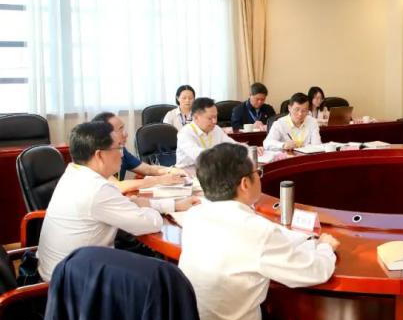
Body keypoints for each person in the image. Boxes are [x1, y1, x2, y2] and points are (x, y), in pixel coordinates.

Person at [178, 143, 338, 320]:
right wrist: (325, 247)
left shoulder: (195, 216)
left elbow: (251, 235)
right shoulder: (257, 232)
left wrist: (294, 238)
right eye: (257, 172)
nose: (259, 177)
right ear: (245, 184)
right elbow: (315, 271)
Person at [37, 121, 197, 281]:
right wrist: (144, 206)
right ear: (100, 155)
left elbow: (132, 205)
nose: (122, 154)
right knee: (165, 275)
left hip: (65, 268)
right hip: (74, 283)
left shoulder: (75, 173)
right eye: (119, 148)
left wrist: (174, 205)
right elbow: (150, 224)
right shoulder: (97, 189)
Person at [92, 112, 186, 193]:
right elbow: (117, 186)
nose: (126, 134)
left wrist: (171, 170)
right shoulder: (95, 155)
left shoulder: (121, 150)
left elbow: (148, 169)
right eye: (120, 129)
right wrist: (158, 180)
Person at [176, 97, 260, 168]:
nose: (214, 121)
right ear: (195, 118)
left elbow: (232, 144)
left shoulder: (216, 129)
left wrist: (250, 149)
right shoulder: (185, 133)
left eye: (216, 117)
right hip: (187, 173)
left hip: (210, 171)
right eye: (210, 118)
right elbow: (200, 156)